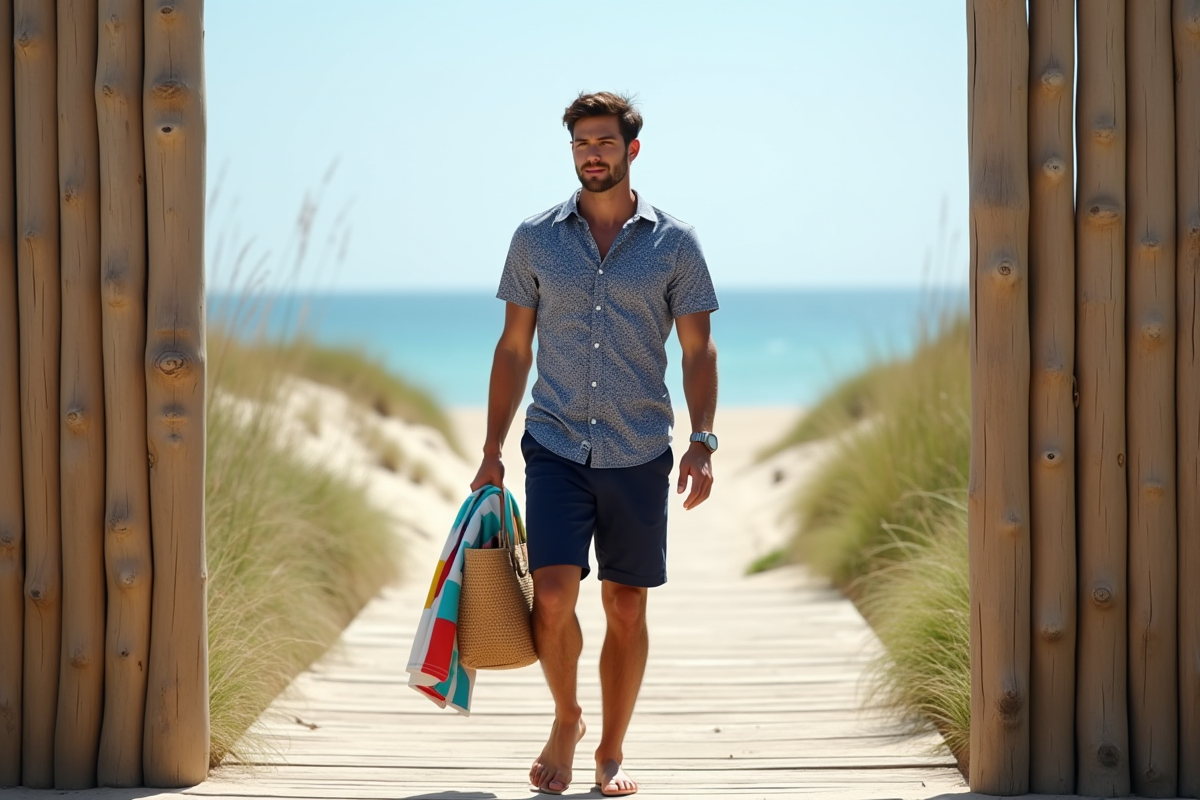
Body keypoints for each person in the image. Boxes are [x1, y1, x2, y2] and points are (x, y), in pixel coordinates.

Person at [470, 91, 719, 797]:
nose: (593, 153)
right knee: (551, 595)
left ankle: (611, 750)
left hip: (640, 448)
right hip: (553, 444)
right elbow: (514, 346)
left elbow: (700, 351)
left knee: (626, 605)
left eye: (605, 142)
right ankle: (567, 717)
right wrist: (491, 447)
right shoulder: (535, 238)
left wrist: (703, 440)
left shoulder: (677, 243)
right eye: (582, 143)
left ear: (631, 150)